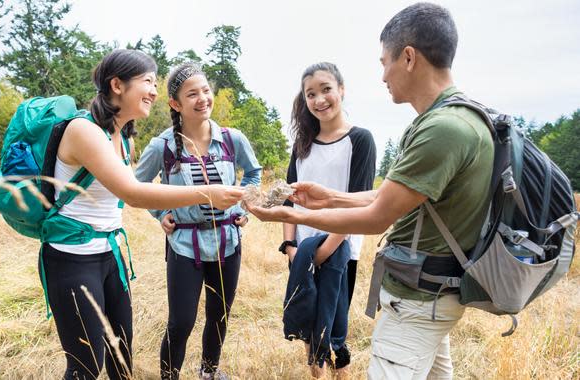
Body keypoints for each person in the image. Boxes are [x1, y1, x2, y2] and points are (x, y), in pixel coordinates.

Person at [248, 3, 494, 379]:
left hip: (419, 301)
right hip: (430, 295)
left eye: (384, 62)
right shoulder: (450, 118)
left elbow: (379, 216)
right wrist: (329, 199)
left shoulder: (442, 129)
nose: (382, 76)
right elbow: (387, 197)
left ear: (408, 57)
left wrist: (290, 214)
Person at [40, 50, 243, 380]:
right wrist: (209, 194)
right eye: (148, 82)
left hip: (109, 255)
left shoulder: (122, 139)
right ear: (117, 85)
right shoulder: (84, 130)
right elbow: (133, 193)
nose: (153, 91)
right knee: (86, 365)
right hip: (72, 258)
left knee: (121, 355)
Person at [135, 63, 262, 380]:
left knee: (219, 316)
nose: (202, 98)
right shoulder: (162, 146)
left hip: (228, 243)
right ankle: (169, 377)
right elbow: (137, 186)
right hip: (184, 247)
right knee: (181, 322)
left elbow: (255, 173)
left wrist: (245, 207)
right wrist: (159, 213)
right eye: (192, 94)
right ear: (175, 104)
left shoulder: (233, 140)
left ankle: (209, 372)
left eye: (206, 91)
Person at [280, 62, 375, 378]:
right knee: (309, 327)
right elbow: (288, 198)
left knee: (334, 331)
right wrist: (291, 245)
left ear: (342, 90)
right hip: (303, 250)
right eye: (311, 94)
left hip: (341, 251)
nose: (319, 99)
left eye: (326, 90)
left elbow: (358, 204)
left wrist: (325, 250)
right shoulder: (302, 145)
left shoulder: (360, 140)